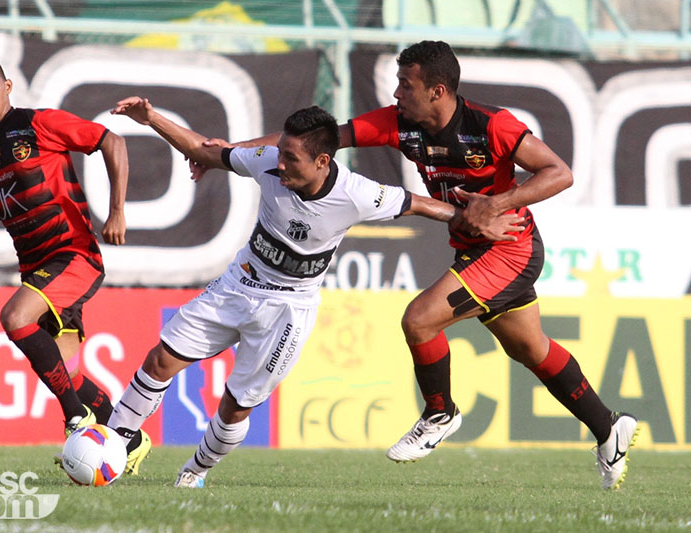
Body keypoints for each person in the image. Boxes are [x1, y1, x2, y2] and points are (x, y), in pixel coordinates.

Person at [197, 41, 638, 491]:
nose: (395, 93)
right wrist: (229, 151)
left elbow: (559, 172)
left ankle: (439, 412)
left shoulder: (492, 125)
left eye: (405, 85)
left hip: (509, 248)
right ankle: (609, 428)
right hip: (473, 249)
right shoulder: (398, 124)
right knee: (531, 350)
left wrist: (497, 203)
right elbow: (313, 144)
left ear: (437, 91)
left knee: (420, 320)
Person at [106, 97, 524, 488]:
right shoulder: (267, 161)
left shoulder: (357, 194)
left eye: (292, 158)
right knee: (161, 359)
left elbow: (418, 203)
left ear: (323, 161)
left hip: (289, 310)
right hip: (239, 283)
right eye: (281, 152)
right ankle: (115, 443)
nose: (280, 164)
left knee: (235, 408)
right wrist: (152, 118)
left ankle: (193, 472)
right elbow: (204, 151)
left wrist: (476, 219)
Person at [0, 53, 147, 474]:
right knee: (69, 373)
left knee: (15, 316)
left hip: (74, 255)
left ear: (7, 87)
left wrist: (118, 211)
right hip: (35, 269)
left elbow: (113, 141)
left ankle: (76, 419)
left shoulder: (37, 124)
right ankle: (127, 440)